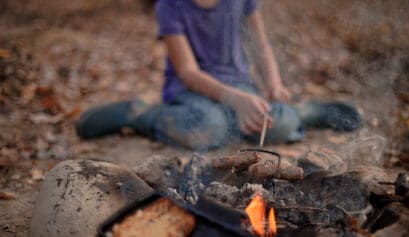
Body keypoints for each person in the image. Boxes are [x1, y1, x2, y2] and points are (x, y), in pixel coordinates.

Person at [75, 0, 361, 150]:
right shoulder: (170, 6)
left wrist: (273, 83)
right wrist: (235, 102)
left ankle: (301, 112)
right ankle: (137, 113)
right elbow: (187, 72)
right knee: (207, 129)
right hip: (190, 90)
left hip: (237, 83)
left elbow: (260, 46)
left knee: (278, 125)